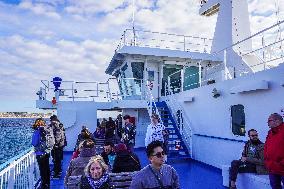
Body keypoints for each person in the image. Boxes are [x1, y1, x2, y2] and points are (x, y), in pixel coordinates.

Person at [32, 118, 54, 189]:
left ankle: (44, 185)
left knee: (42, 169)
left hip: (40, 153)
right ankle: (48, 184)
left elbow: (34, 143)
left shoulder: (37, 131)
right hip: (47, 152)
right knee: (47, 168)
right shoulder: (48, 129)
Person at [264, 113, 284, 189]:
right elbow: (266, 147)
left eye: (269, 120)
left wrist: (281, 163)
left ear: (277, 121)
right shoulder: (270, 132)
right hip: (272, 168)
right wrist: (267, 161)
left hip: (282, 168)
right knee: (275, 187)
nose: (268, 123)